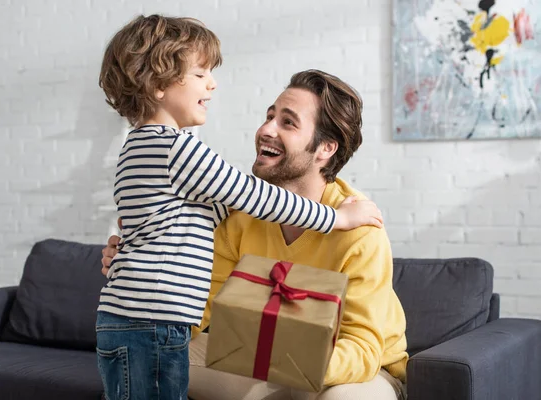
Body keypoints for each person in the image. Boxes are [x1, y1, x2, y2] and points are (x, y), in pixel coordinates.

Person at [97, 15, 383, 400]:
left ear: (326, 148)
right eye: (269, 116)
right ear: (161, 84)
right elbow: (205, 301)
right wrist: (136, 254)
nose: (266, 129)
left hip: (344, 367)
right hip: (165, 327)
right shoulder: (225, 194)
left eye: (287, 122)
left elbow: (364, 345)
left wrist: (135, 256)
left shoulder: (359, 227)